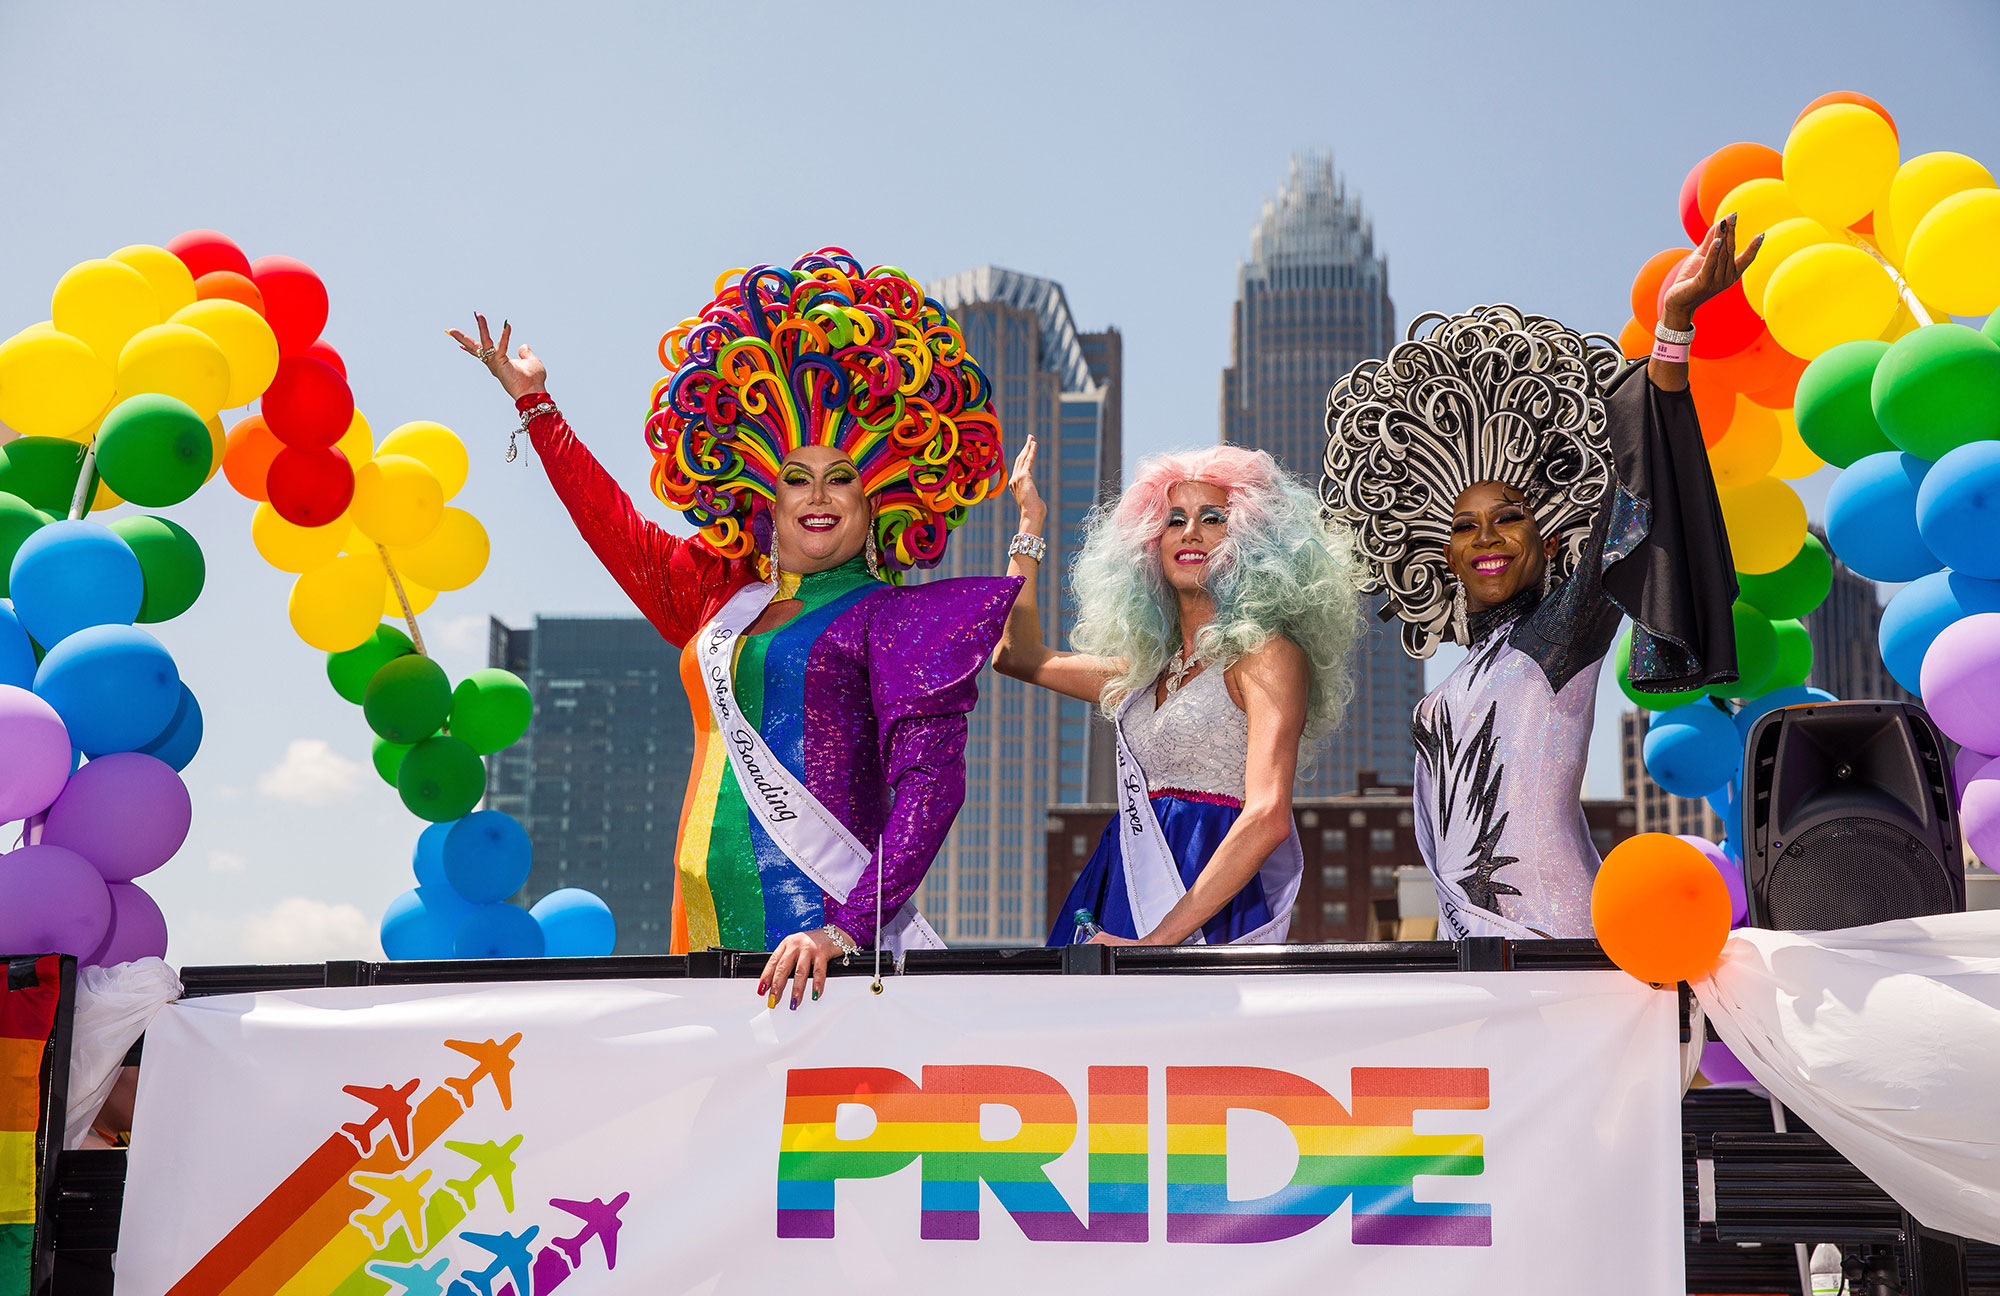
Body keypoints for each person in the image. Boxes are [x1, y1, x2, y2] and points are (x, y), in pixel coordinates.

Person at [449, 249, 1019, 1007]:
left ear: (880, 493)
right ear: (762, 490)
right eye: (795, 475)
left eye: (841, 475)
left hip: (820, 947)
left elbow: (931, 787)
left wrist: (847, 929)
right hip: (696, 933)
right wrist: (537, 408)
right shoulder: (718, 596)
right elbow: (612, 526)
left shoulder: (893, 621)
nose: (818, 496)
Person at [1319, 216, 1759, 941]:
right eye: (1464, 526)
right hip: (1473, 952)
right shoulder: (1456, 679)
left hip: (1562, 941)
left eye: (1508, 516)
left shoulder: (1560, 632)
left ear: (1549, 538)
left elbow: (1635, 498)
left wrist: (1673, 326)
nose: (1486, 537)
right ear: (1444, 555)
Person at [993, 441, 1362, 946]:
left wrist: (1155, 947)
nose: (1191, 532)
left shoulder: (1265, 655)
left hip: (1202, 901)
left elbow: (1268, 817)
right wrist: (1029, 525)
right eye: (1174, 520)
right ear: (1151, 544)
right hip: (1121, 882)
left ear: (1252, 540)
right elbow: (1017, 656)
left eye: (1212, 518)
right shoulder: (1146, 674)